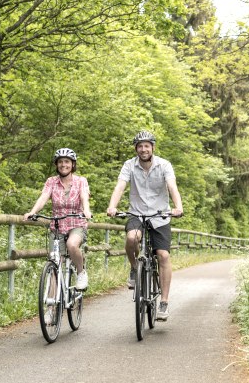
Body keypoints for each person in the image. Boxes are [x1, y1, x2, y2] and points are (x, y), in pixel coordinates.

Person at [106, 130, 183, 321]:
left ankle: (163, 302)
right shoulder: (129, 165)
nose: (143, 149)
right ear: (136, 149)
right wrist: (112, 206)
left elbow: (172, 186)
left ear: (152, 148)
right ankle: (134, 268)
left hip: (160, 215)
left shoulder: (164, 165)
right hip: (137, 213)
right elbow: (120, 186)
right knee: (132, 238)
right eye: (140, 146)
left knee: (163, 255)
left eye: (147, 146)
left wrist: (178, 206)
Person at [23, 148, 91, 291]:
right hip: (57, 226)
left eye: (67, 162)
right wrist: (33, 212)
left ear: (73, 164)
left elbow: (84, 196)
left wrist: (86, 210)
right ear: (56, 164)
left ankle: (81, 272)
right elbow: (43, 197)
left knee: (72, 245)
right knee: (55, 262)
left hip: (76, 223)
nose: (63, 165)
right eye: (60, 162)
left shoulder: (80, 181)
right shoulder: (51, 182)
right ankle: (51, 307)